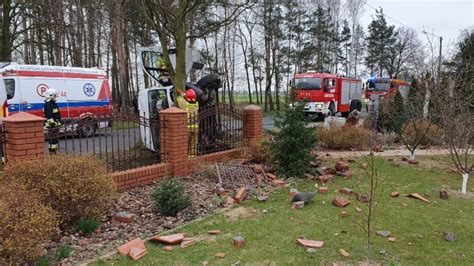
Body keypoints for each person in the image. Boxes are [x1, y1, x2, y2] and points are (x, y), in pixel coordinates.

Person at [43, 88, 62, 154]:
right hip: (52, 126)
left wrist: (59, 123)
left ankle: (54, 152)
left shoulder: (53, 104)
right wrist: (53, 124)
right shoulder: (48, 105)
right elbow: (49, 116)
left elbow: (57, 115)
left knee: (55, 140)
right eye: (55, 96)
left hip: (55, 125)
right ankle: (53, 153)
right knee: (53, 140)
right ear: (51, 96)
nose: (55, 98)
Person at [184, 89, 199, 156]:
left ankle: (185, 156)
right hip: (195, 127)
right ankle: (192, 156)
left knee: (186, 143)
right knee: (194, 143)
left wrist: (182, 94)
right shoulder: (196, 104)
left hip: (188, 127)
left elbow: (179, 99)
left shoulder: (185, 104)